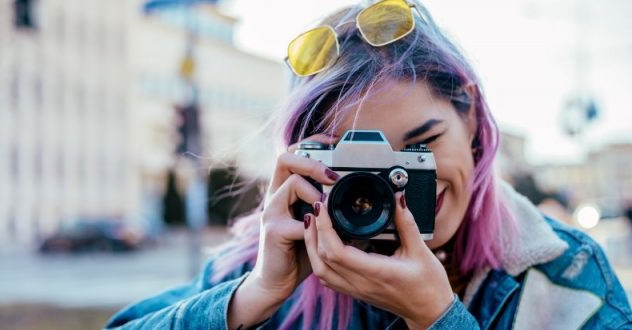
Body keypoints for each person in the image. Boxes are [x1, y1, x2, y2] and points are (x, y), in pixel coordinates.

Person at [105, 0, 632, 329]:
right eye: (358, 167)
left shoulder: (560, 276)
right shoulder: (268, 264)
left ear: (470, 116)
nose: (387, 193)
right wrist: (256, 295)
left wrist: (437, 318)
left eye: (417, 151)